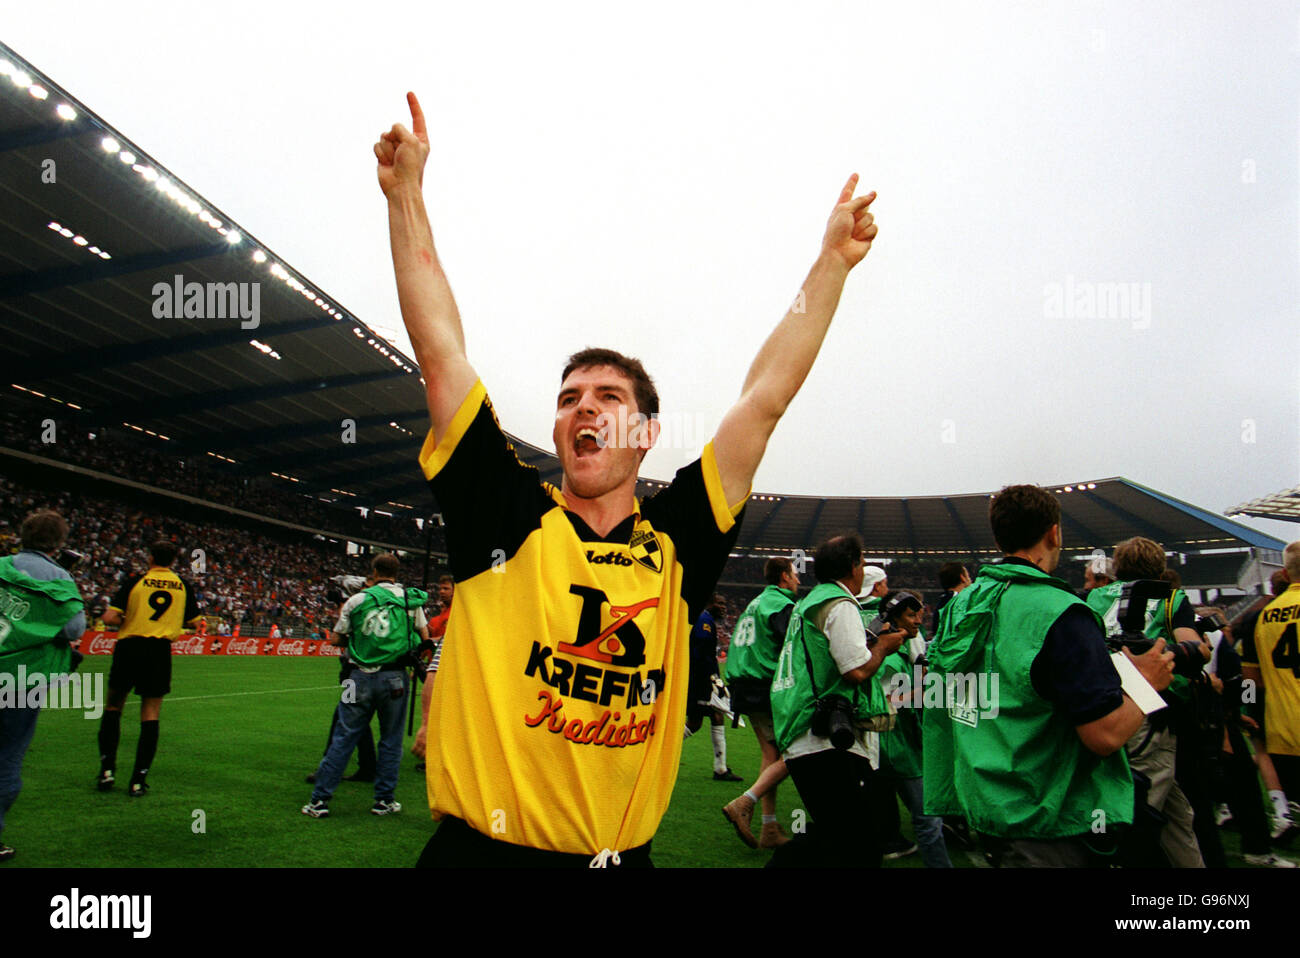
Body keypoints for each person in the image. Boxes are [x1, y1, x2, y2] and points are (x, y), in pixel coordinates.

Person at [375, 91, 880, 866]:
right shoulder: (504, 515)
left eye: (607, 398)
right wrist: (407, 194)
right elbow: (440, 350)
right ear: (556, 429)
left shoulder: (681, 539)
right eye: (569, 399)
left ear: (644, 435)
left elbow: (763, 401)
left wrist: (831, 265)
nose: (585, 409)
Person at [924, 485, 1175, 867]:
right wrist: (1145, 683)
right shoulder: (1061, 611)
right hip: (1047, 818)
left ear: (999, 536)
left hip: (985, 803)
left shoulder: (961, 605)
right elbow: (1103, 735)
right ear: (1054, 532)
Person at [766, 535, 902, 867]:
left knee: (835, 838)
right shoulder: (839, 604)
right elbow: (854, 671)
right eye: (862, 561)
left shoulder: (809, 603)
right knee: (860, 845)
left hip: (805, 733)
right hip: (824, 739)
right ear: (853, 567)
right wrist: (883, 648)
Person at [1086, 536, 1210, 867]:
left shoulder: (1095, 596)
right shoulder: (1171, 598)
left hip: (1105, 703)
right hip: (1148, 706)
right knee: (1141, 808)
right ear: (1159, 567)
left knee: (1176, 814)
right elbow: (1197, 649)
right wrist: (1164, 655)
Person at [302, 553, 428, 818]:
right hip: (395, 677)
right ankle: (383, 800)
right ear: (397, 573)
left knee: (344, 736)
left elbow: (337, 638)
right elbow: (424, 637)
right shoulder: (409, 600)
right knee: (391, 740)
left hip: (357, 676)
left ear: (373, 571)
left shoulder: (357, 600)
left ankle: (319, 801)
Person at [0, 510, 86, 862]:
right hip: (22, 680)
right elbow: (74, 629)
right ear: (59, 543)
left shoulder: (2, 564)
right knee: (7, 757)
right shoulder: (59, 577)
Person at [97, 540, 202, 797]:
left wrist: (129, 618)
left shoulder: (136, 581)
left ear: (151, 557)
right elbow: (197, 623)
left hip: (130, 646)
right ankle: (138, 780)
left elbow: (109, 618)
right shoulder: (183, 585)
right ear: (174, 561)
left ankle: (107, 771)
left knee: (113, 706)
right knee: (151, 713)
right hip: (159, 652)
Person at [721, 557, 798, 849]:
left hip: (743, 684)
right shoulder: (780, 604)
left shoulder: (756, 602)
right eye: (794, 575)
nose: (798, 580)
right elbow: (794, 643)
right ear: (784, 577)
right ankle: (746, 802)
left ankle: (769, 828)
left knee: (771, 753)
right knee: (798, 750)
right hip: (763, 684)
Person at [876, 589, 952, 867]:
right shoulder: (890, 657)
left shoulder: (900, 650)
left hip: (897, 745)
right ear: (894, 618)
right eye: (911, 615)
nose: (919, 620)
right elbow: (887, 701)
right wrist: (925, 689)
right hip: (897, 748)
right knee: (928, 819)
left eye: (920, 614)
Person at [1242, 542, 1300, 848]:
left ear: (1286, 572)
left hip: (1283, 728)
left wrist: (1250, 713)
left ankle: (1283, 814)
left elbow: (1251, 680)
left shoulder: (1258, 617)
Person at [684, 596, 742, 781]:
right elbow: (699, 653)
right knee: (697, 722)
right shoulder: (705, 621)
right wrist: (710, 677)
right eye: (721, 604)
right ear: (710, 603)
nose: (724, 608)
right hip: (701, 681)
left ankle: (721, 768)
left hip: (702, 680)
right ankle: (662, 749)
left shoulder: (706, 619)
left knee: (710, 717)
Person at [412, 574, 454, 767]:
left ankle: (438, 754)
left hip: (448, 670)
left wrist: (430, 641)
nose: (441, 592)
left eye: (446, 588)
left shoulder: (458, 614)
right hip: (433, 667)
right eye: (440, 588)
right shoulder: (438, 618)